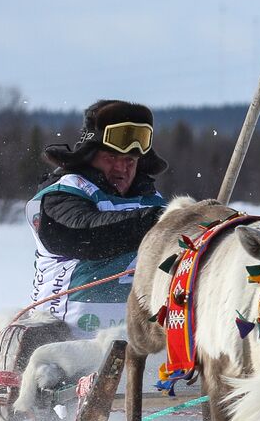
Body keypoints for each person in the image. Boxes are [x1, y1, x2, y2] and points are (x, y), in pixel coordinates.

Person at [27, 100, 168, 337]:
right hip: (62, 337)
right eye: (111, 158)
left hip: (135, 340)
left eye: (129, 161)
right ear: (90, 154)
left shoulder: (154, 201)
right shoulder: (63, 193)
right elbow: (84, 235)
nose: (121, 168)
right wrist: (162, 221)